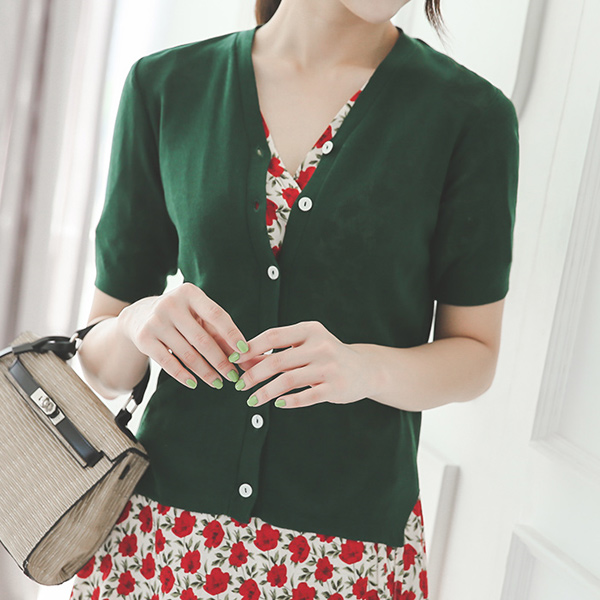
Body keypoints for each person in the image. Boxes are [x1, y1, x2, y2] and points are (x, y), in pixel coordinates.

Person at [69, 0, 519, 598]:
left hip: (346, 558)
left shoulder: (470, 116)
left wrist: (363, 368)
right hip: (161, 546)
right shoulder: (167, 86)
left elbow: (476, 354)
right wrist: (136, 322)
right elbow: (100, 367)